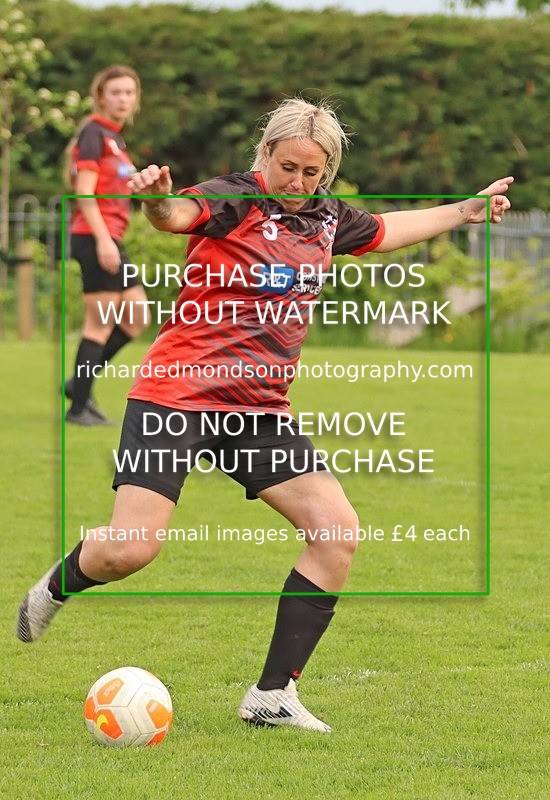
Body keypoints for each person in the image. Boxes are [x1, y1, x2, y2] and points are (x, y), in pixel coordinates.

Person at [17, 98, 513, 731]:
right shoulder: (233, 199)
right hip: (178, 396)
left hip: (257, 411)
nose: (299, 184)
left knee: (336, 533)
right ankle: (58, 585)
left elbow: (389, 230)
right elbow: (175, 215)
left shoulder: (327, 219)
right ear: (265, 155)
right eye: (288, 167)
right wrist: (153, 199)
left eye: (313, 172)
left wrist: (467, 211)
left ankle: (272, 697)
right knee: (131, 551)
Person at [64, 64, 150, 426]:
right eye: (116, 92)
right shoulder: (94, 134)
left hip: (109, 236)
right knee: (99, 323)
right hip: (94, 236)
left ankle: (77, 386)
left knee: (137, 316)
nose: (123, 99)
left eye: (129, 92)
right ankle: (79, 407)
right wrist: (103, 241)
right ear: (101, 96)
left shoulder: (115, 139)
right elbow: (83, 191)